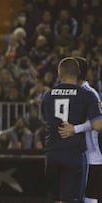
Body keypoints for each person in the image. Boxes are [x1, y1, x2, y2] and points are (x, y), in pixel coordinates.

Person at [41, 57, 102, 203]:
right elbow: (98, 124)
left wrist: (75, 129)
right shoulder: (85, 95)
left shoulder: (48, 94)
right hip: (76, 154)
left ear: (60, 73)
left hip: (80, 154)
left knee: (78, 198)